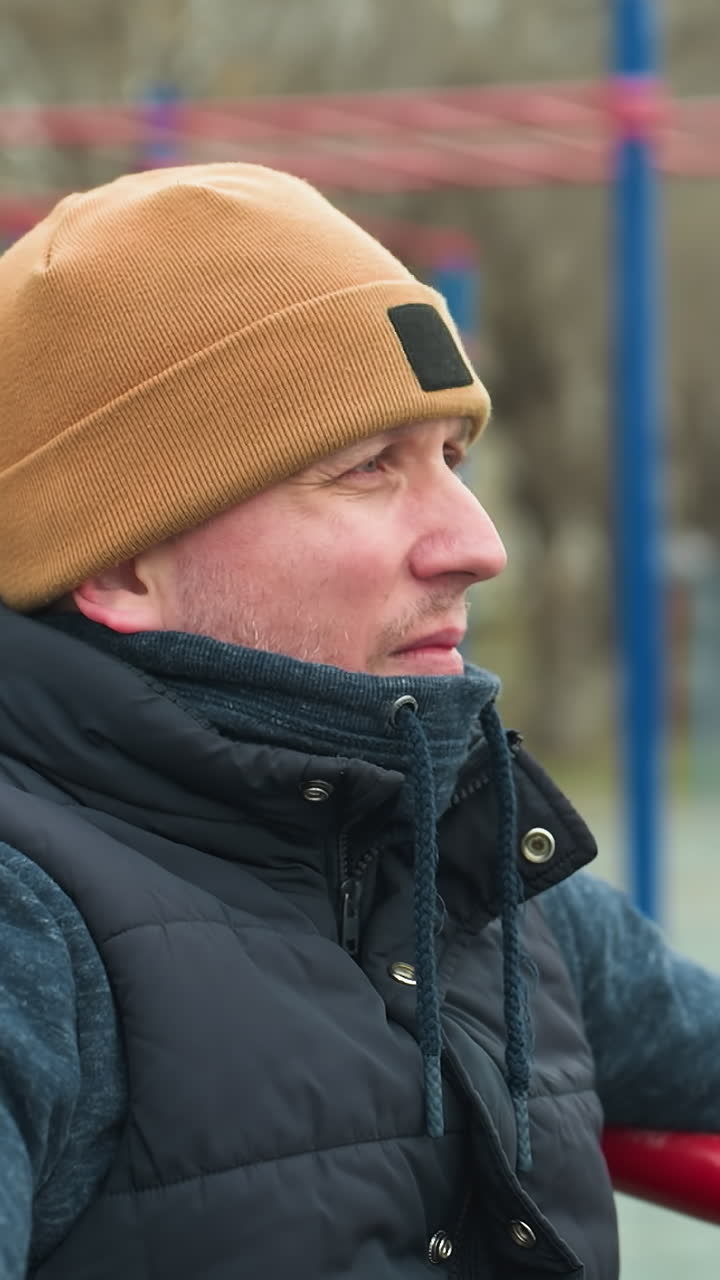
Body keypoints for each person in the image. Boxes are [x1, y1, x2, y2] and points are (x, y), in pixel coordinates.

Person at [0, 163, 717, 1280]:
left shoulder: (463, 851)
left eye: (450, 458)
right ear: (120, 559)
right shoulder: (25, 923)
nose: (477, 542)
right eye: (366, 466)